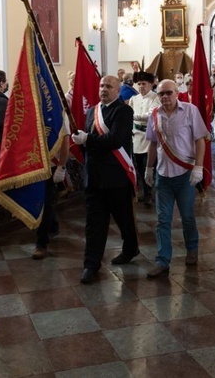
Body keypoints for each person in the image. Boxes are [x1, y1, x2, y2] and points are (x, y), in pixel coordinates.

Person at [71, 75, 139, 284]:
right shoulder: (92, 111)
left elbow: (115, 140)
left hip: (116, 177)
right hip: (94, 178)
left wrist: (88, 139)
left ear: (118, 91)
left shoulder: (124, 111)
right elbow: (90, 142)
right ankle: (91, 265)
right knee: (94, 224)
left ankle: (130, 248)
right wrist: (80, 140)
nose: (104, 89)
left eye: (109, 86)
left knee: (124, 218)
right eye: (101, 85)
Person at [144, 79, 208, 278]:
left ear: (177, 92)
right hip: (163, 175)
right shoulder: (154, 115)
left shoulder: (190, 111)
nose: (165, 97)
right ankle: (163, 260)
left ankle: (192, 248)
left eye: (169, 93)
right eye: (161, 93)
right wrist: (148, 168)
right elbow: (153, 144)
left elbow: (200, 140)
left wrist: (198, 167)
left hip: (184, 174)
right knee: (163, 220)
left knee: (187, 216)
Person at [31, 127, 69, 260]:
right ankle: (52, 225)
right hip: (33, 163)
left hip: (51, 166)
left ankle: (41, 244)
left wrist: (61, 166)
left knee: (46, 203)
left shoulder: (58, 111)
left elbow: (65, 140)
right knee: (45, 201)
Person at [128, 70, 160, 207]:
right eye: (139, 84)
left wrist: (132, 116)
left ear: (151, 84)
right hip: (136, 138)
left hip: (149, 138)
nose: (141, 86)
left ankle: (149, 193)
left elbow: (150, 115)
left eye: (144, 84)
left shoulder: (155, 98)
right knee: (139, 167)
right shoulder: (133, 99)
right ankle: (145, 190)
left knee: (149, 166)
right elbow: (129, 117)